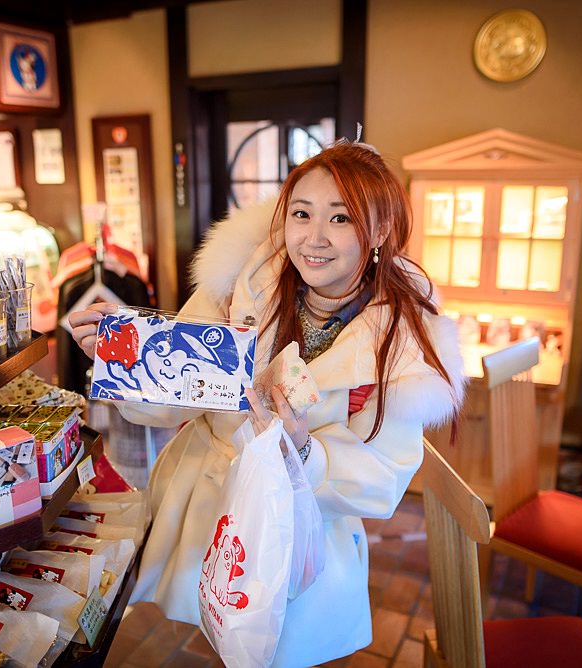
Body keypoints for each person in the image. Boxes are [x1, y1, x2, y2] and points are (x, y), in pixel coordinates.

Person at [68, 140, 465, 666]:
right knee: (214, 627)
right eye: (301, 213)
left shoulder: (402, 340)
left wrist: (301, 451)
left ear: (381, 232)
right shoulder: (240, 283)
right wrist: (124, 363)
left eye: (341, 219)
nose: (314, 238)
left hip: (299, 534)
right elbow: (176, 395)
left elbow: (381, 478)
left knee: (276, 643)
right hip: (204, 505)